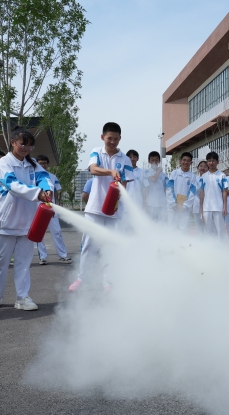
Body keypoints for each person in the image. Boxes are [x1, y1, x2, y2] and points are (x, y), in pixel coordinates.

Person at [0, 128, 53, 311]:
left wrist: (46, 189)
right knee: (1, 263)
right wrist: (38, 193)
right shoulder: (4, 162)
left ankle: (22, 297)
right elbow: (12, 184)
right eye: (23, 144)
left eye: (30, 146)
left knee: (23, 264)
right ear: (13, 142)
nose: (26, 148)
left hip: (27, 222)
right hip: (6, 222)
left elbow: (44, 177)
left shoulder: (32, 164)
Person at [69, 122, 132, 292]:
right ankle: (82, 279)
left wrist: (117, 197)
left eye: (116, 139)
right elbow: (93, 169)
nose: (112, 142)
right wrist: (111, 172)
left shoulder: (125, 159)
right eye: (109, 138)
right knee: (89, 244)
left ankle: (108, 282)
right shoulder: (96, 152)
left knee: (110, 246)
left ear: (120, 139)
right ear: (102, 137)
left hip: (114, 210)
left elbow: (125, 183)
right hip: (95, 207)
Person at [34, 155, 71, 265]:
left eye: (45, 163)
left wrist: (56, 206)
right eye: (40, 163)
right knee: (39, 233)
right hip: (37, 209)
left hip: (51, 209)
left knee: (57, 232)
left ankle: (63, 256)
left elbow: (55, 192)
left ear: (48, 164)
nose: (43, 165)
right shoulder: (33, 176)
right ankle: (42, 257)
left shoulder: (52, 177)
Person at [199, 151, 227, 237]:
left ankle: (221, 245)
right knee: (207, 230)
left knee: (220, 230)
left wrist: (224, 207)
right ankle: (209, 245)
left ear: (218, 162)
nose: (211, 163)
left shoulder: (222, 175)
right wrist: (201, 207)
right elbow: (202, 192)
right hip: (207, 208)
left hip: (218, 207)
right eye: (209, 161)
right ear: (207, 162)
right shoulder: (203, 176)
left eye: (213, 160)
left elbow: (224, 191)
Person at [167, 152, 197, 230]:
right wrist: (173, 204)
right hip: (173, 207)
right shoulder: (174, 173)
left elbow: (192, 193)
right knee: (171, 229)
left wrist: (185, 206)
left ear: (191, 163)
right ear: (180, 161)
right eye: (184, 160)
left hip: (184, 208)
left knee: (183, 229)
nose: (186, 162)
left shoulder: (193, 177)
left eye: (188, 161)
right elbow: (169, 189)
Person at [143, 151, 169, 223]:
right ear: (149, 161)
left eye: (156, 160)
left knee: (162, 224)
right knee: (151, 224)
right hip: (151, 203)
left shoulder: (164, 175)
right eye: (152, 160)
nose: (154, 162)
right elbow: (154, 179)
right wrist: (159, 170)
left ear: (159, 161)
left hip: (162, 204)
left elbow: (166, 189)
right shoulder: (145, 172)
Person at [193, 161, 209, 233]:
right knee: (199, 227)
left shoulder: (209, 179)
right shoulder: (195, 179)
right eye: (201, 166)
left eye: (205, 166)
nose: (203, 168)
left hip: (208, 206)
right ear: (198, 168)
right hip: (196, 206)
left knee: (208, 227)